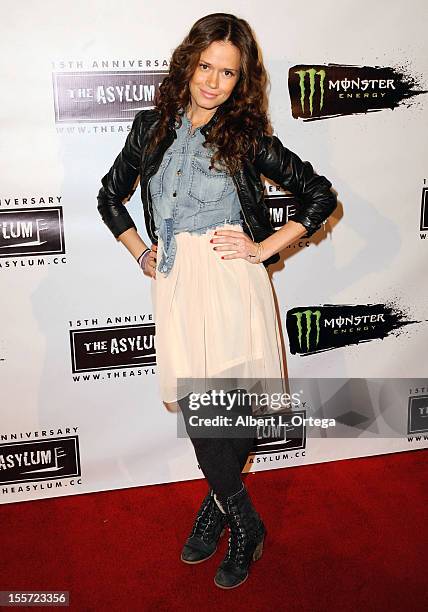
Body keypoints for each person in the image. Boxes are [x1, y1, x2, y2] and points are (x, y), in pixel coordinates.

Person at [97, 13, 337, 589]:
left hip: (233, 281)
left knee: (236, 406)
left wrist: (264, 249)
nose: (213, 82)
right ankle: (242, 516)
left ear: (240, 81)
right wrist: (140, 251)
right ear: (188, 64)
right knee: (203, 410)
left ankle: (222, 507)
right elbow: (110, 198)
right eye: (206, 66)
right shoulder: (150, 127)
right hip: (179, 286)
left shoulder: (246, 136)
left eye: (227, 73)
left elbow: (319, 195)